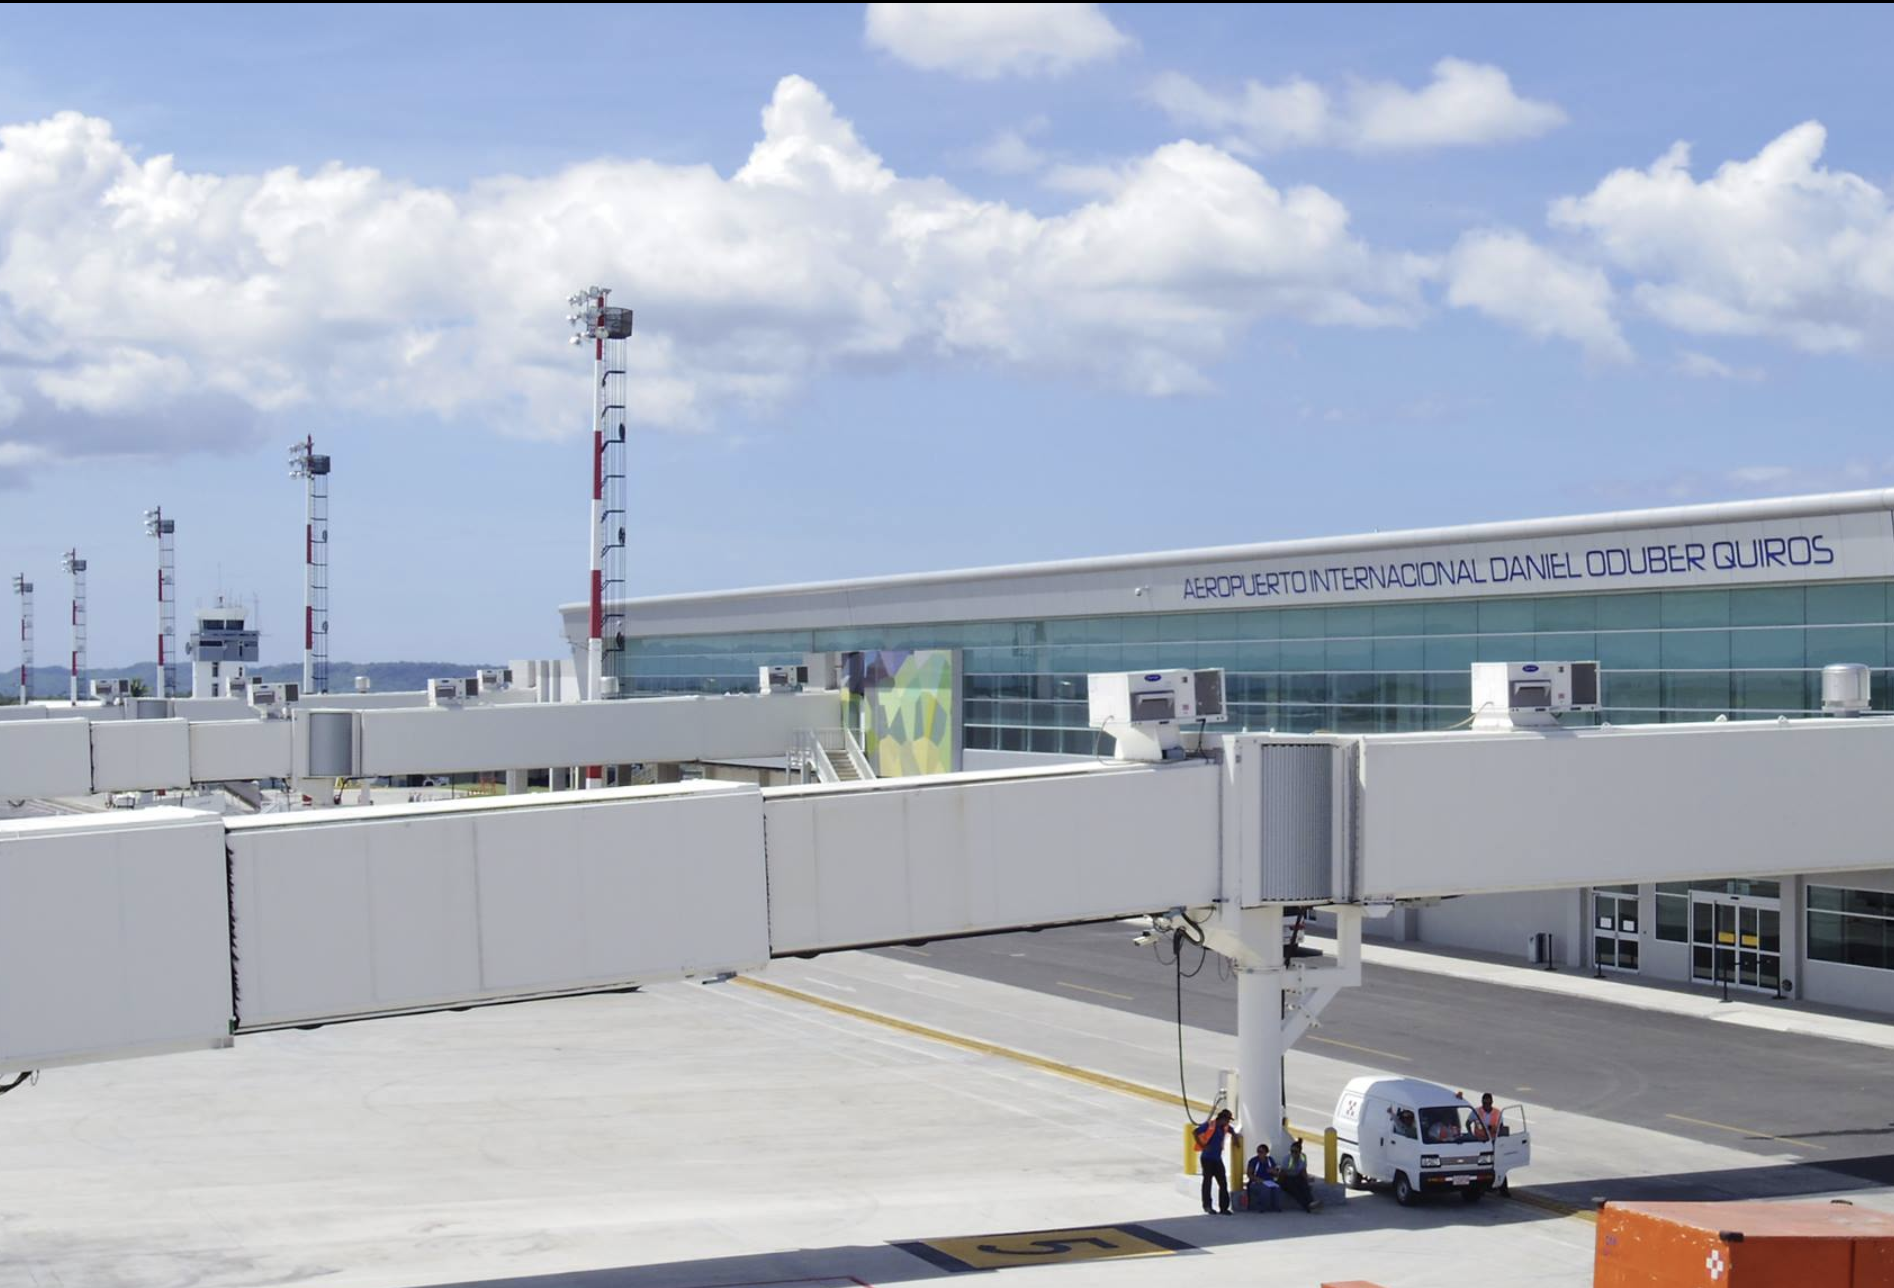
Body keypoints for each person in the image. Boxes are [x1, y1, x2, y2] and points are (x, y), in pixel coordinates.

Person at [1194, 1107, 1235, 1214]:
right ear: (1222, 1118)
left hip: (1217, 1159)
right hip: (1207, 1158)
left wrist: (1235, 1136)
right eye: (1227, 1120)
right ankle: (1207, 1206)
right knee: (1207, 1182)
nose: (1228, 1122)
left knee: (1223, 1183)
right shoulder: (1210, 1125)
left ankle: (1224, 1208)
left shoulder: (1224, 1127)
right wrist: (1202, 1145)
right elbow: (1195, 1132)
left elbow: (1231, 1129)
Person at [1276, 1138, 1324, 1212]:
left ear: (1299, 1152)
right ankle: (1308, 1207)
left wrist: (1307, 1179)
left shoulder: (1303, 1157)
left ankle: (1312, 1202)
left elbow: (1303, 1170)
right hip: (1286, 1178)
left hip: (1296, 1177)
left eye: (1295, 1152)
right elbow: (1282, 1173)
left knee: (1305, 1187)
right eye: (1292, 1151)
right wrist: (1279, 1184)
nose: (1293, 1153)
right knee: (1296, 1191)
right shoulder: (1287, 1159)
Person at [1245, 1143, 1282, 1213]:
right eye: (1258, 1151)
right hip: (1256, 1182)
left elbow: (1276, 1173)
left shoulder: (1270, 1160)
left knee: (1277, 1188)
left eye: (1261, 1152)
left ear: (1266, 1153)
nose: (1259, 1154)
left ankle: (1276, 1206)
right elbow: (1249, 1174)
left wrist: (1273, 1171)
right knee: (1265, 1188)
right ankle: (1263, 1207)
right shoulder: (1254, 1161)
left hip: (1269, 1181)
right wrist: (1257, 1179)